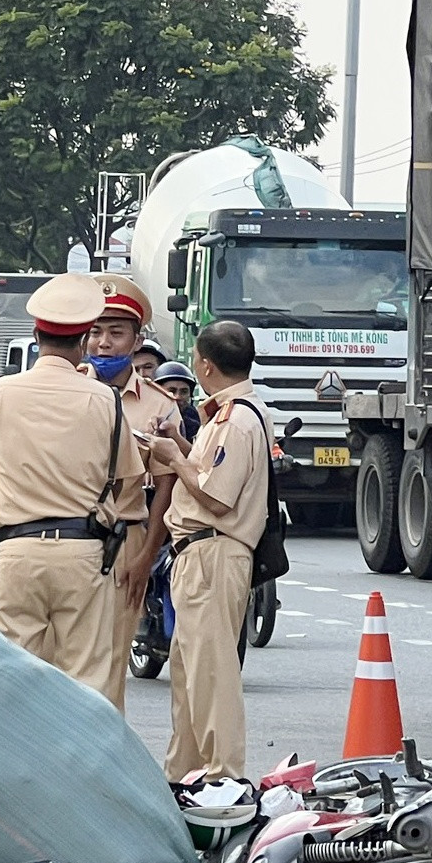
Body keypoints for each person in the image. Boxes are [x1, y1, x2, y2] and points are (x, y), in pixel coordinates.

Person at [0, 273, 145, 702]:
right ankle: (84, 770)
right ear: (84, 339)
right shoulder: (104, 399)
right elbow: (126, 475)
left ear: (34, 334)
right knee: (88, 683)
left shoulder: (0, 394)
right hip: (84, 555)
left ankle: (14, 767)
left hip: (15, 553)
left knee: (9, 679)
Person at [144, 320, 269, 781]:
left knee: (211, 676)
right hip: (199, 554)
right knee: (190, 674)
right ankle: (185, 774)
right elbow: (209, 468)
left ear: (205, 365)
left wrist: (175, 460)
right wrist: (179, 444)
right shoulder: (226, 415)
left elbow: (217, 496)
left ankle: (224, 777)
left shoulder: (237, 421)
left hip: (214, 552)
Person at [80, 275, 180, 712]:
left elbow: (166, 486)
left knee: (110, 663)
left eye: (116, 333)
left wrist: (146, 559)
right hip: (69, 536)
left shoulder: (159, 404)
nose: (103, 343)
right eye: (96, 331)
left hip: (126, 541)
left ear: (137, 340)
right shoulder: (66, 390)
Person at [152, 360, 202, 441]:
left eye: (184, 391)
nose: (178, 397)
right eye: (171, 391)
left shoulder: (196, 423)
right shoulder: (144, 412)